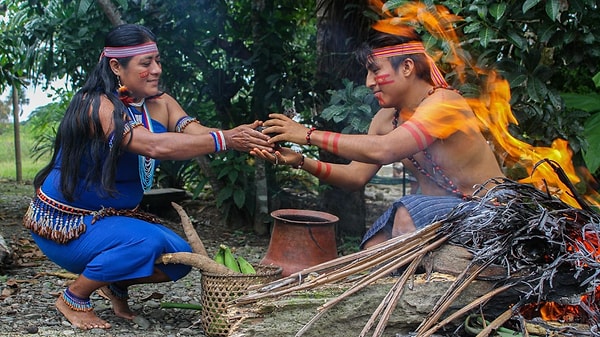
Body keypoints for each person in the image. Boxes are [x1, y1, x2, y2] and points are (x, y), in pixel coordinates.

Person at [23, 24, 273, 330]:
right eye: (146, 63)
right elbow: (154, 145)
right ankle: (74, 298)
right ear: (116, 66)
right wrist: (227, 139)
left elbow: (200, 134)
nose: (156, 70)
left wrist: (247, 136)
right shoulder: (97, 105)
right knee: (147, 243)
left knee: (180, 259)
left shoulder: (160, 104)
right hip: (66, 225)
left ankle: (113, 284)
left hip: (107, 220)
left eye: (157, 60)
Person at [252, 27, 504, 249]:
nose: (369, 82)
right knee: (374, 245)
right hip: (438, 213)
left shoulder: (445, 103)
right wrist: (300, 161)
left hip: (489, 210)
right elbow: (355, 176)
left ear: (407, 67)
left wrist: (308, 135)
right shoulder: (384, 120)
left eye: (375, 70)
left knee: (406, 214)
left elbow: (385, 149)